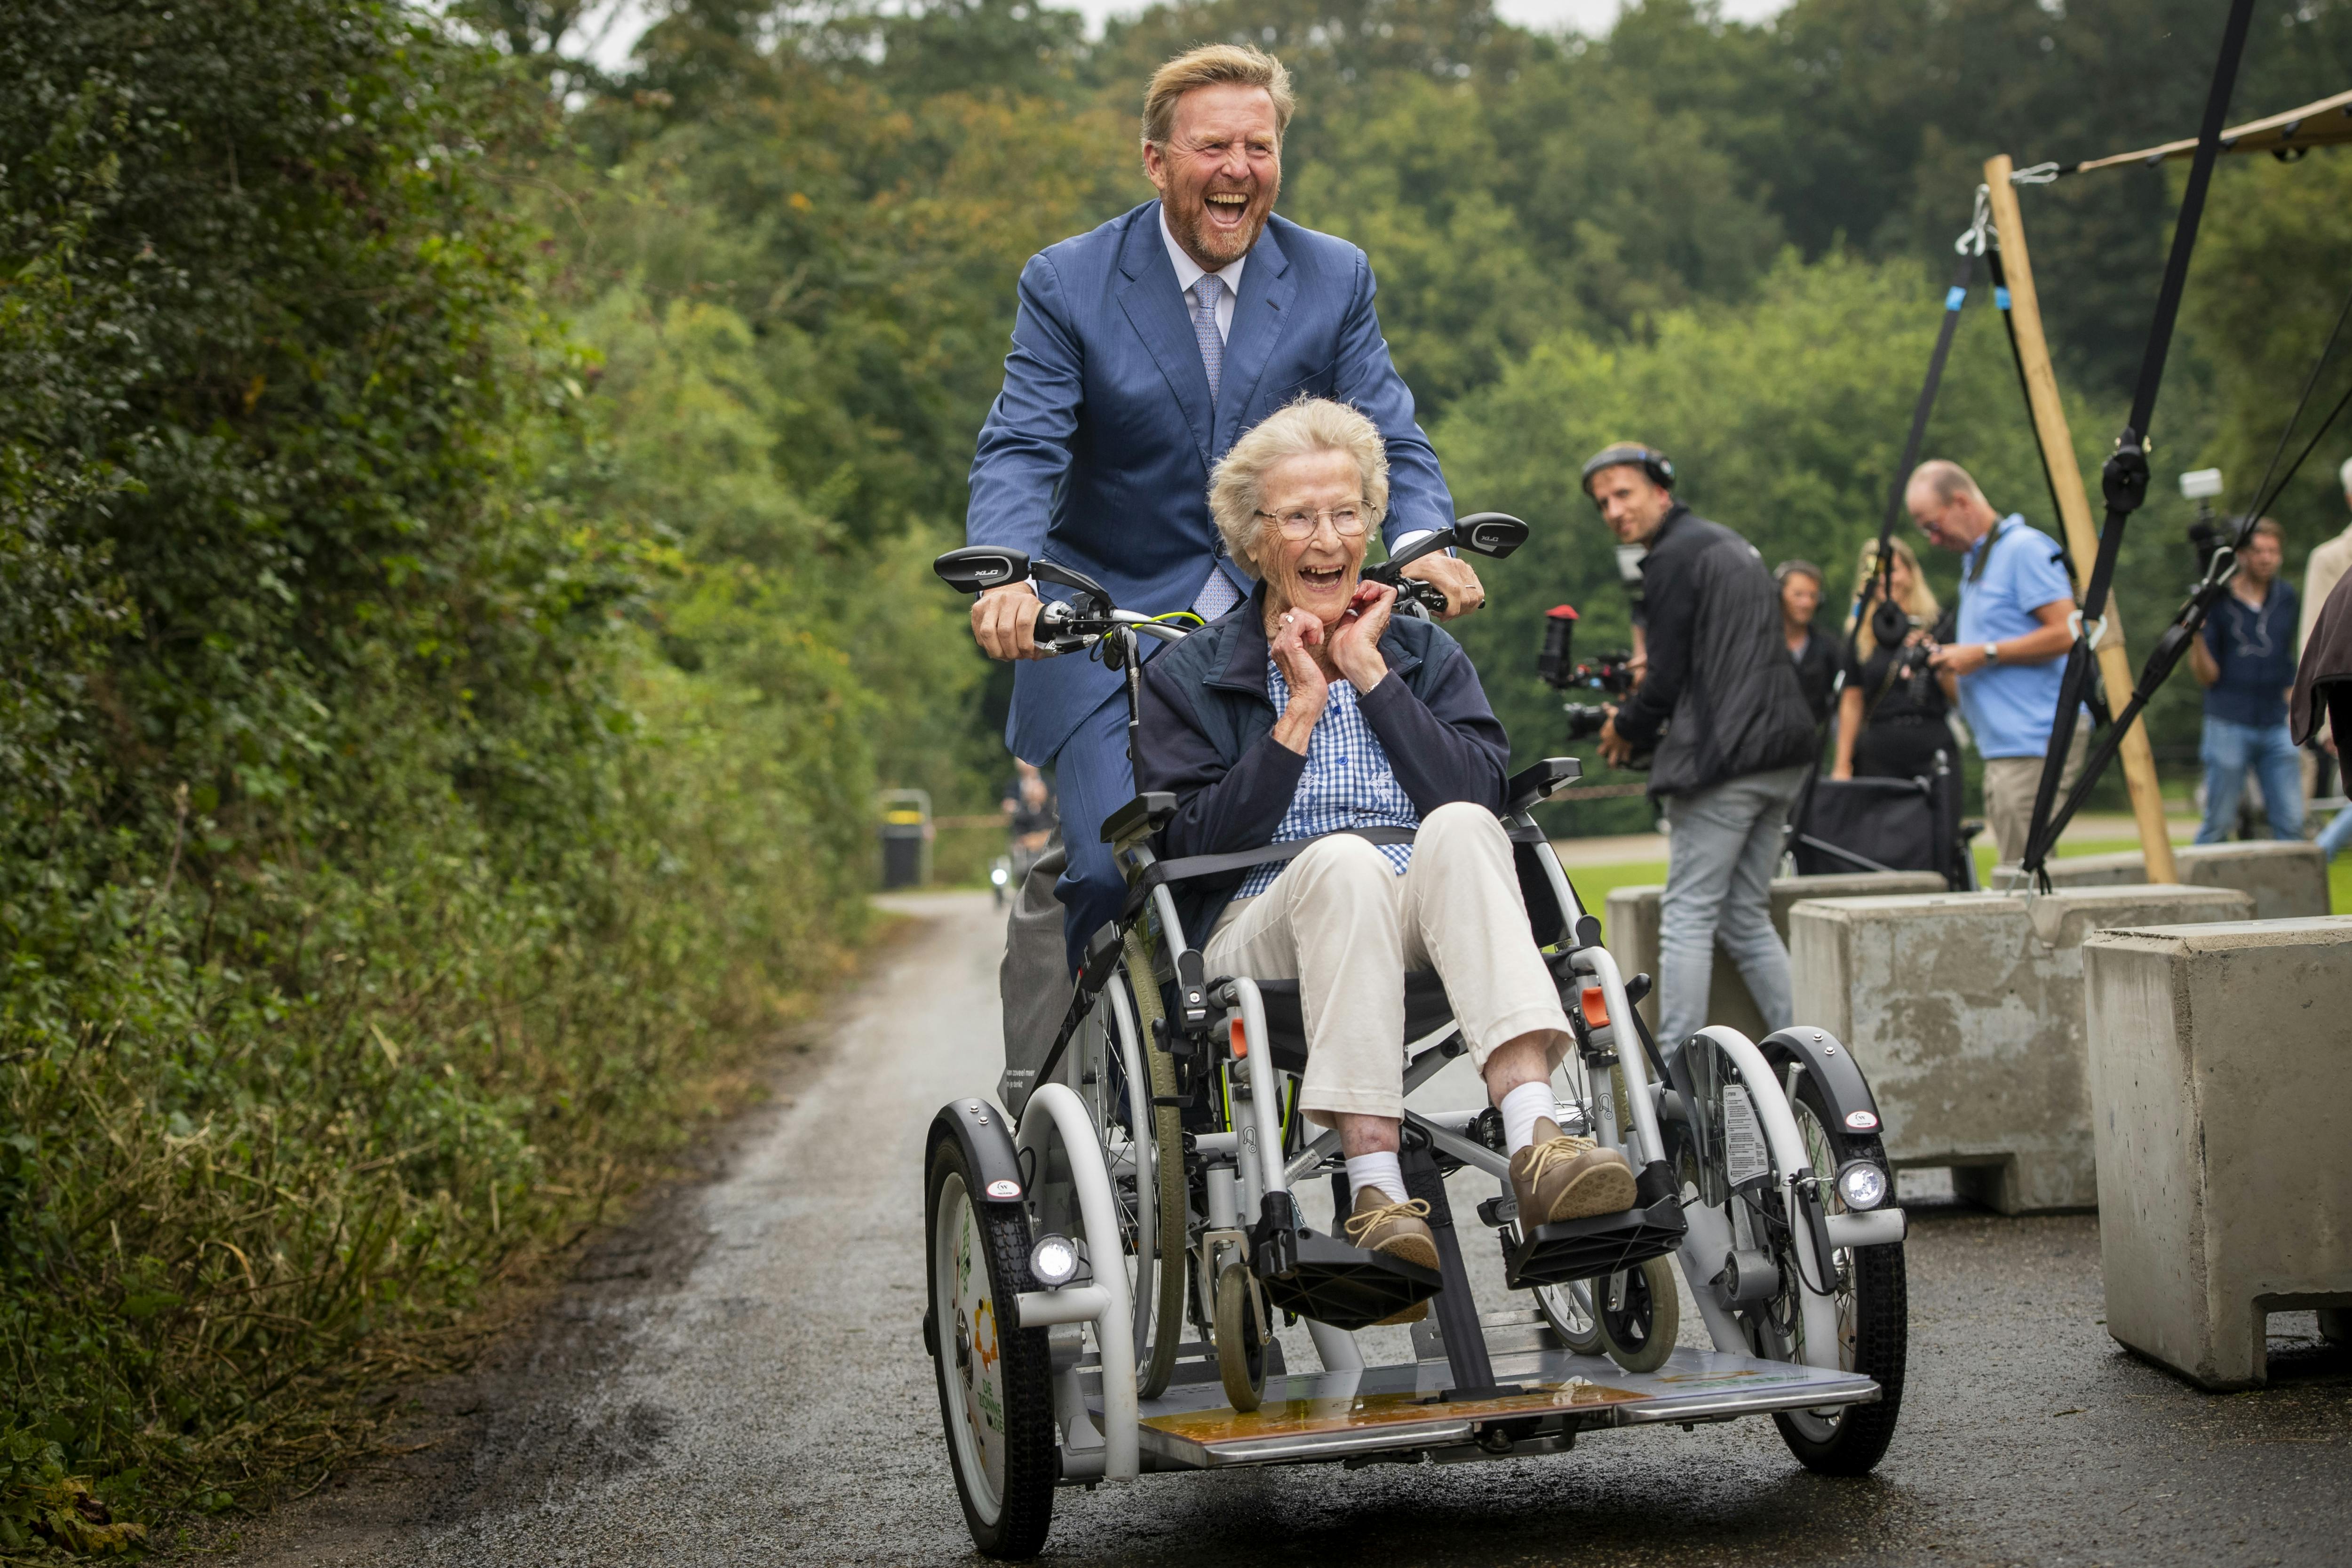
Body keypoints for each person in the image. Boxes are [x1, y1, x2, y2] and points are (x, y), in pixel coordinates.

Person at [965, 44, 1480, 973]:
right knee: (1108, 868)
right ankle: (1112, 1096)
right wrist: (1005, 569)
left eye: (1258, 145)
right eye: (1212, 147)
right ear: (1157, 161)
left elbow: (1389, 430)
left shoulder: (1335, 276)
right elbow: (1023, 442)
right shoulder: (1066, 283)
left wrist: (1422, 540)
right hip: (1108, 630)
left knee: (1322, 851)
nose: (1237, 168)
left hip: (1279, 627)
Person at [1136, 400, 1633, 1276]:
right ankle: (1372, 1186)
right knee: (1343, 860)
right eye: (1299, 517)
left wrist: (1367, 672)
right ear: (1253, 541)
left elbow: (1477, 791)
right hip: (1264, 923)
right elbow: (1188, 842)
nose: (1328, 538)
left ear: (1370, 522)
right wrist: (1297, 713)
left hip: (1420, 918)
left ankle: (1539, 1143)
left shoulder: (1418, 652)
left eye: (1347, 512)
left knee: (1463, 823)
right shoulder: (1189, 675)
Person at [1588, 445, 1816, 1053]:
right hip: (1783, 756)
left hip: (1728, 763)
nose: (1613, 510)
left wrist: (1624, 728)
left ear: (1661, 492)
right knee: (1744, 915)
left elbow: (1663, 682)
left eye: (1624, 493)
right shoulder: (1729, 544)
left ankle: (1677, 1073)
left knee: (1687, 915)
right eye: (1603, 502)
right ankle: (1813, 1049)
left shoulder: (1669, 559)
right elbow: (1713, 658)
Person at [1910, 459, 2086, 865]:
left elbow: (2069, 631)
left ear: (1960, 503)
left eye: (1932, 526)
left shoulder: (2022, 549)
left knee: (2027, 878)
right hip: (2008, 745)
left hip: (2033, 739)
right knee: (2016, 872)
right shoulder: (1978, 561)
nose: (1933, 540)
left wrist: (1984, 652)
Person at [2189, 518, 2303, 843]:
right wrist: (2195, 635)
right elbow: (2207, 676)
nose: (2267, 558)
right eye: (2258, 551)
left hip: (2276, 719)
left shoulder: (2286, 596)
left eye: (2273, 551)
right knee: (2219, 822)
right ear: (2241, 554)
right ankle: (2197, 890)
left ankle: (2292, 892)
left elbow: (2288, 656)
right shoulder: (2218, 599)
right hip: (2228, 718)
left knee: (2293, 821)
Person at [1831, 539, 1957, 782]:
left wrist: (1936, 659)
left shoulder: (1937, 624)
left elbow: (1958, 696)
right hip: (1880, 748)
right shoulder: (1858, 632)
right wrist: (1843, 765)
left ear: (1911, 573)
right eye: (1876, 574)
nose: (1884, 580)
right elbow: (1852, 699)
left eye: (1893, 571)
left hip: (1932, 743)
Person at [1776, 560, 1840, 727]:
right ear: (1778, 595)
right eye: (1798, 595)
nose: (1807, 603)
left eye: (1812, 596)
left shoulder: (1830, 648)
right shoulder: (1762, 646)